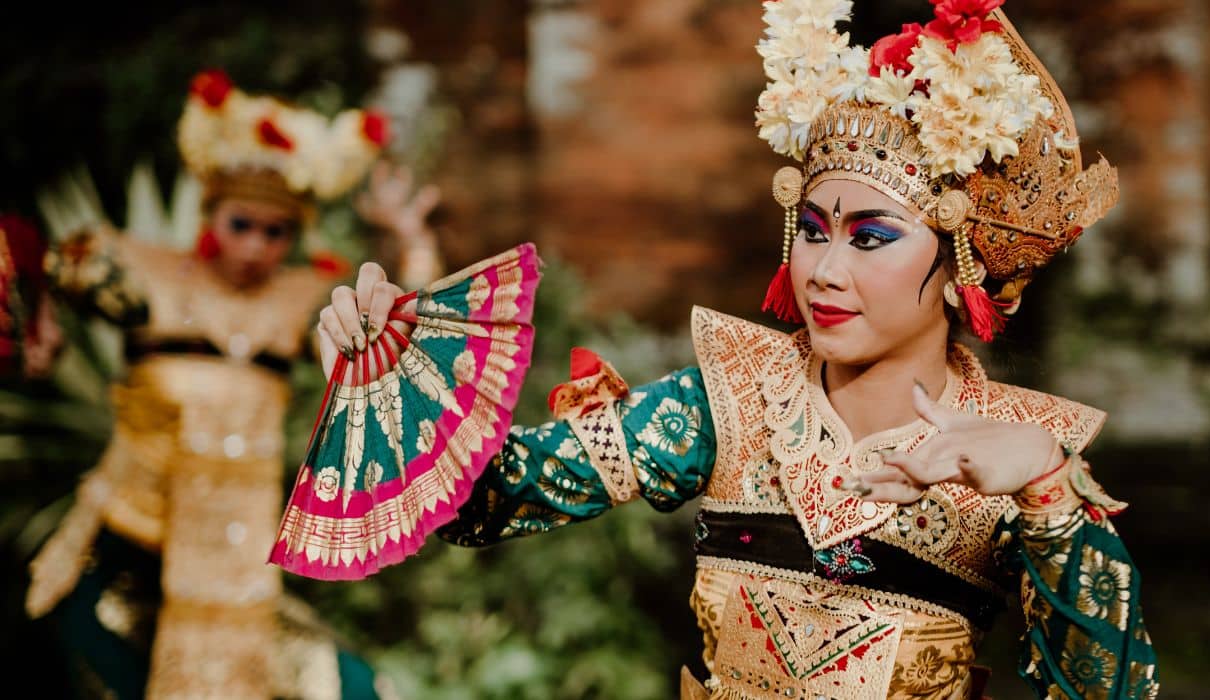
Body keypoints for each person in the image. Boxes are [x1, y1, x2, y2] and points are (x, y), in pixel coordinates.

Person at [309, 2, 1159, 697]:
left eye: (871, 238)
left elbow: (1110, 690)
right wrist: (391, 365)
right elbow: (483, 501)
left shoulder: (1010, 450)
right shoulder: (728, 403)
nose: (824, 271)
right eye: (814, 231)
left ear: (957, 265)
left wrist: (1048, 491)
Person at [23, 69, 441, 699]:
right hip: (122, 556)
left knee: (357, 691)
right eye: (241, 224)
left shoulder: (302, 299)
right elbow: (43, 265)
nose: (255, 247)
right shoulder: (145, 277)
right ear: (210, 213)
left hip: (231, 570)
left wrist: (410, 241)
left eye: (276, 233)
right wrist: (39, 327)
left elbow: (394, 339)